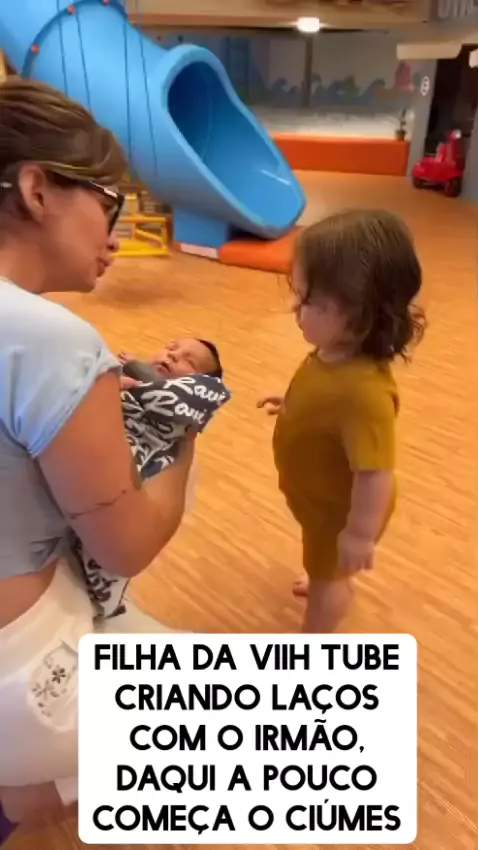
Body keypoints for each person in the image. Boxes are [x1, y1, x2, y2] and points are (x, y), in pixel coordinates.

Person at [0, 78, 194, 824]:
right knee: (300, 731)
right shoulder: (53, 341)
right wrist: (184, 425)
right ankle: (29, 788)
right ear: (36, 189)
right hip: (22, 676)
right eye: (109, 203)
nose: (115, 234)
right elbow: (128, 545)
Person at [258, 209, 426, 634]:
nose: (294, 308)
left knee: (328, 580)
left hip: (342, 514)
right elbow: (322, 398)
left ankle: (314, 639)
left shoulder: (364, 394)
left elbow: (375, 473)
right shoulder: (332, 353)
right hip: (319, 502)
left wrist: (359, 535)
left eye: (307, 300)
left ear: (357, 311)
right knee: (322, 562)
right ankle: (325, 572)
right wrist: (293, 405)